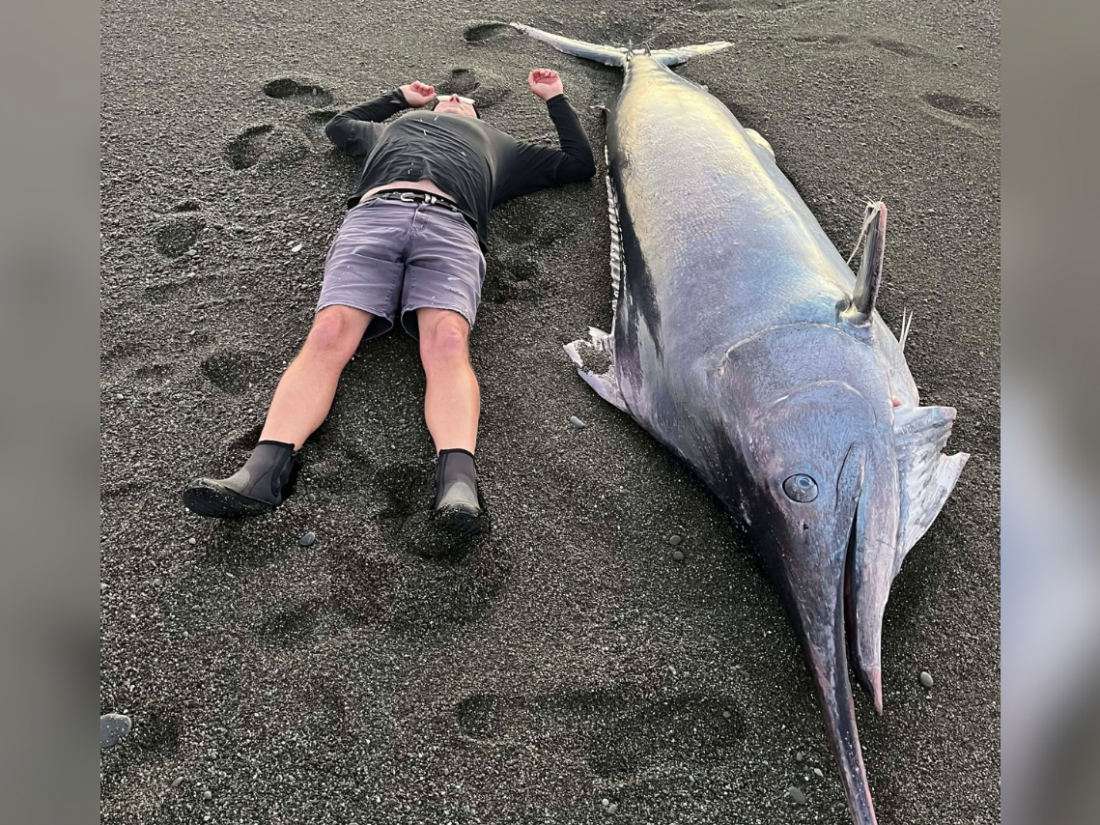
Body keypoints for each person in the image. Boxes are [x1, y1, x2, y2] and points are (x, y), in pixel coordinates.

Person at [182, 69, 596, 537]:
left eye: (464, 99)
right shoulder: (390, 128)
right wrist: (397, 99)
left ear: (478, 115)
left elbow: (579, 164)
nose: (456, 96)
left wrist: (555, 98)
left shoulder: (501, 145)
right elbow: (339, 127)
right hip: (374, 216)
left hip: (452, 228)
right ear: (433, 106)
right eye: (448, 96)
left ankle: (457, 484)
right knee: (329, 332)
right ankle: (261, 474)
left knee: (446, 341)